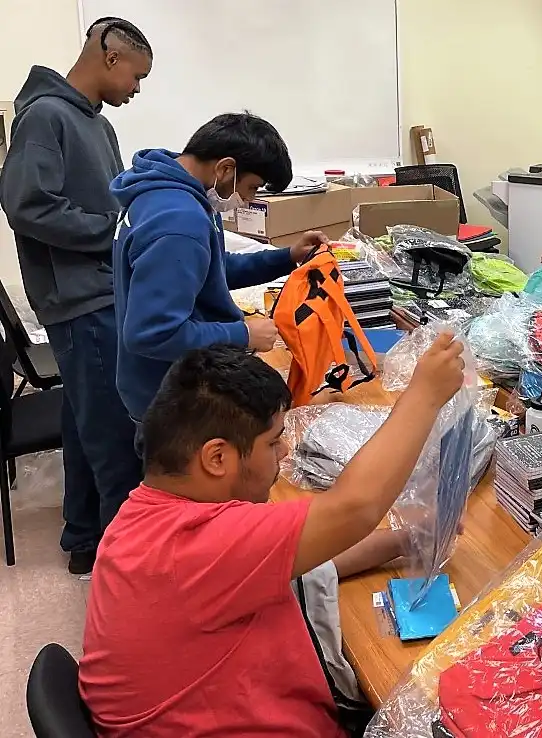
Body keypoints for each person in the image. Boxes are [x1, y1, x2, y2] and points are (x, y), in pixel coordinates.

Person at [79, 338, 465, 737]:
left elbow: (301, 564)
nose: (283, 451)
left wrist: (405, 539)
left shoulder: (148, 516)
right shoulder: (194, 547)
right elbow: (356, 507)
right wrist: (425, 395)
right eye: (272, 440)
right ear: (217, 458)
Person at [0, 18, 152, 574]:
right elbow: (26, 205)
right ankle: (125, 568)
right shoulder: (44, 116)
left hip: (101, 288)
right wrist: (108, 232)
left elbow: (109, 201)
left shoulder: (97, 124)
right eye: (136, 77)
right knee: (114, 432)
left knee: (87, 420)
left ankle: (84, 538)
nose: (137, 90)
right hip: (80, 300)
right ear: (110, 57)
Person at [111, 112, 326, 425]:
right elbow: (152, 334)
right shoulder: (180, 221)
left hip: (162, 381)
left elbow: (211, 270)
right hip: (173, 399)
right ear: (226, 168)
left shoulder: (167, 195)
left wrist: (286, 257)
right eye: (253, 187)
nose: (249, 199)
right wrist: (242, 334)